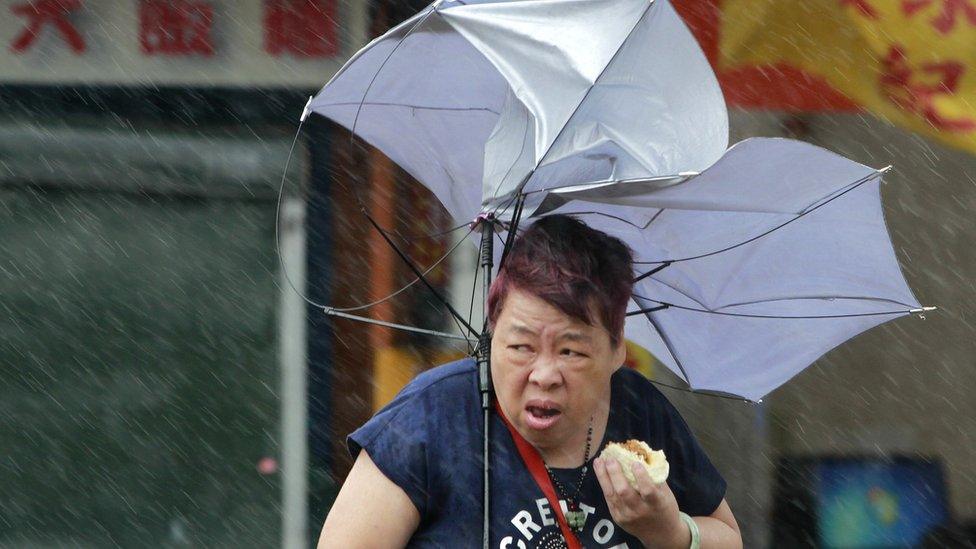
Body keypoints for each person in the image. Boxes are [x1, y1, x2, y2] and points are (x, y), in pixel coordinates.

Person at [319, 215, 742, 548]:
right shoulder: (430, 418)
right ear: (492, 333)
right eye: (521, 347)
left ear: (617, 351)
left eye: (571, 351)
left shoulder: (639, 410)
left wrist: (670, 532)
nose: (543, 375)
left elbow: (729, 537)